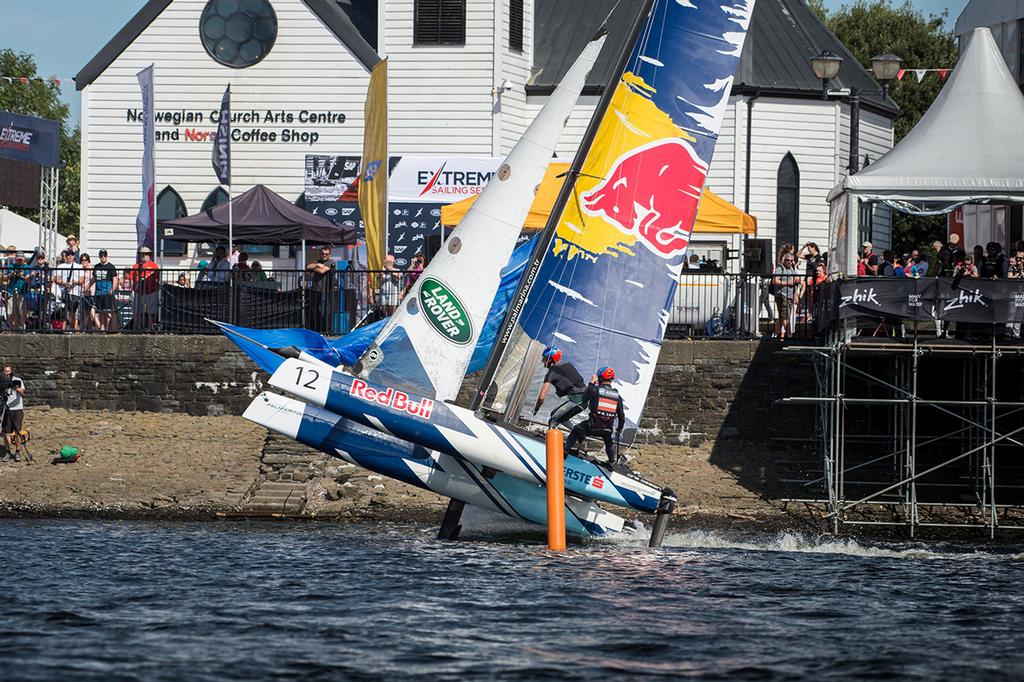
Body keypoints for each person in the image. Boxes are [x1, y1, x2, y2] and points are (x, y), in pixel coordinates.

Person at [565, 366, 626, 466]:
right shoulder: (617, 396)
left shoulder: (595, 390)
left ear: (600, 378)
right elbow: (621, 416)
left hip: (592, 427)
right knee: (608, 440)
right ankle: (611, 461)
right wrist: (619, 428)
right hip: (607, 429)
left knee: (576, 429)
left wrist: (591, 383)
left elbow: (584, 399)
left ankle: (565, 452)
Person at [533, 346, 586, 428]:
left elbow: (541, 398)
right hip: (584, 399)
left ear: (550, 359)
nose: (542, 361)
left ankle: (551, 440)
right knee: (559, 416)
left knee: (553, 420)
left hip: (577, 400)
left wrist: (536, 409)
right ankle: (579, 434)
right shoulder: (568, 365)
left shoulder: (551, 373)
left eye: (544, 358)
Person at [126, 246, 160, 330]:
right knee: (137, 312)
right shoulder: (136, 266)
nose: (144, 256)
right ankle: (137, 327)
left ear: (149, 255)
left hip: (151, 291)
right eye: (143, 254)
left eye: (146, 254)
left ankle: (150, 328)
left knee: (151, 312)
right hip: (138, 292)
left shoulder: (154, 266)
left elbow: (157, 279)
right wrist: (132, 290)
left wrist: (156, 290)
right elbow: (131, 279)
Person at [306, 246, 337, 333]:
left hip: (325, 290)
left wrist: (315, 268)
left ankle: (326, 330)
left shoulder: (331, 262)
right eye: (323, 253)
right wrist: (318, 265)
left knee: (324, 311)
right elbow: (308, 266)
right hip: (316, 290)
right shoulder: (318, 261)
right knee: (315, 311)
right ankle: (317, 330)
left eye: (326, 254)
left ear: (329, 255)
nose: (324, 255)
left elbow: (322, 271)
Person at [772, 252, 801, 339]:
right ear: (784, 260)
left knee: (782, 317)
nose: (789, 262)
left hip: (790, 296)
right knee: (785, 317)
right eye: (787, 260)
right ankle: (789, 335)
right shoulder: (780, 269)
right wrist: (787, 283)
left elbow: (798, 280)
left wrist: (796, 293)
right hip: (782, 295)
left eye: (791, 261)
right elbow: (774, 281)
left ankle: (776, 335)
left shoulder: (792, 269)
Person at [2, 365, 26, 462]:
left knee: (17, 431)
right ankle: (8, 452)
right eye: (5, 371)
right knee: (6, 432)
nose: (7, 373)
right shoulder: (2, 382)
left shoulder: (17, 380)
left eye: (8, 371)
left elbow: (23, 394)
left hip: (17, 409)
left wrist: (15, 387)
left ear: (11, 371)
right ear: (3, 372)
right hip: (7, 409)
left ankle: (17, 452)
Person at [93, 249, 120, 331]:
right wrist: (86, 288)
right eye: (101, 256)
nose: (103, 257)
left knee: (107, 312)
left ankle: (108, 328)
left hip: (107, 292)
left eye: (104, 255)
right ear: (99, 257)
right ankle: (102, 327)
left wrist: (112, 289)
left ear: (107, 256)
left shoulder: (111, 267)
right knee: (100, 312)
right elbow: (93, 279)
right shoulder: (96, 266)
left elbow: (115, 279)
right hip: (98, 292)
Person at [2, 249, 28, 330]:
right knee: (10, 312)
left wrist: (21, 276)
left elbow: (28, 279)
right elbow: (4, 279)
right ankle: (12, 327)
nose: (19, 261)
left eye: (21, 259)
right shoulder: (10, 266)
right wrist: (11, 274)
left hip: (22, 291)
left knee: (21, 311)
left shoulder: (27, 267)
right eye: (18, 259)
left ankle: (22, 327)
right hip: (11, 291)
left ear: (24, 259)